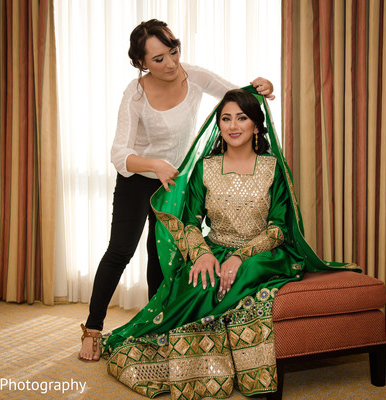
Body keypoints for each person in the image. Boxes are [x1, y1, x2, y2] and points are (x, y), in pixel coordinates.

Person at [98, 88, 361, 399]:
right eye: (226, 118)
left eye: (242, 118)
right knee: (201, 281)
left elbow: (278, 228)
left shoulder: (273, 167)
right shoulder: (205, 167)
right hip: (216, 247)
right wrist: (202, 255)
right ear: (218, 125)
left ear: (256, 126)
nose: (234, 125)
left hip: (263, 252)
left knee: (243, 273)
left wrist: (240, 257)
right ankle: (194, 361)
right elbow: (189, 223)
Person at [79, 19, 275, 362]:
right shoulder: (135, 94)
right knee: (120, 251)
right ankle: (92, 331)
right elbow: (119, 153)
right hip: (139, 179)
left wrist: (263, 84)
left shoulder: (194, 75)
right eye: (158, 59)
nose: (171, 63)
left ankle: (157, 328)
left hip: (176, 183)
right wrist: (154, 164)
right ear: (141, 63)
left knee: (163, 257)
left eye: (173, 51)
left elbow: (237, 98)